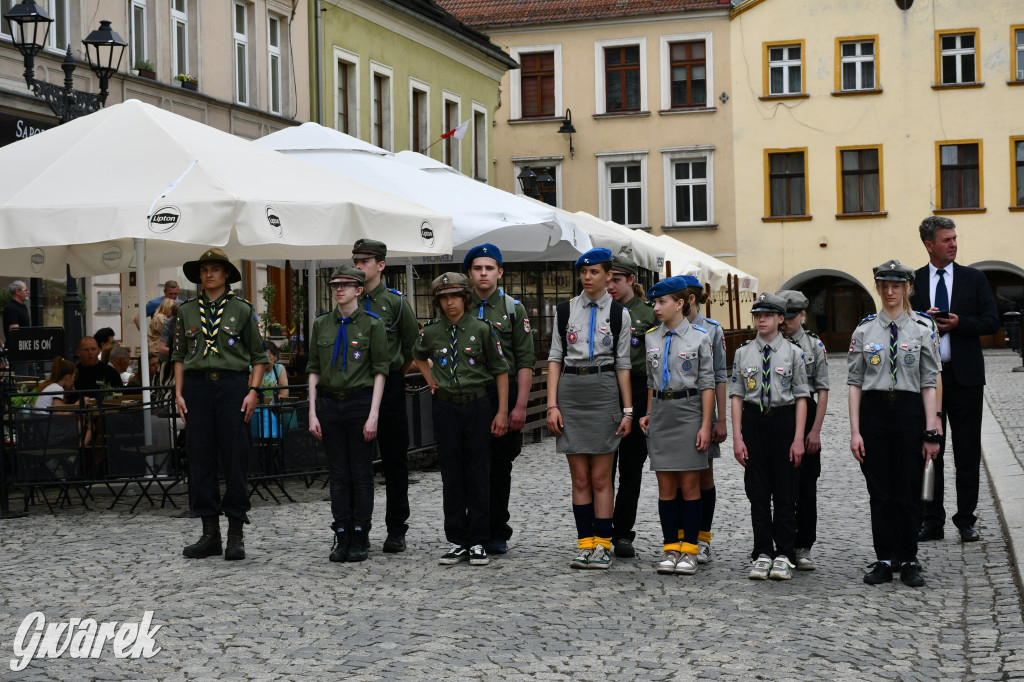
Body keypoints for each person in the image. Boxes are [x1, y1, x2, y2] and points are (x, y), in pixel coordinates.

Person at [850, 259, 942, 587]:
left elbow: (930, 379)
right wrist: (855, 430)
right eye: (884, 286)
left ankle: (910, 557)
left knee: (908, 488)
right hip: (875, 413)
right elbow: (855, 382)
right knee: (880, 491)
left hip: (909, 410)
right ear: (877, 288)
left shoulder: (923, 327)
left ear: (908, 288)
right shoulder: (864, 330)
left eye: (897, 286)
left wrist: (932, 427)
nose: (890, 292)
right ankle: (885, 559)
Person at [172, 248, 268, 561]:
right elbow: (179, 356)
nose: (209, 274)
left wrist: (253, 391)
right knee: (200, 460)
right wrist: (179, 393)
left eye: (215, 269)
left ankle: (236, 534)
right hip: (198, 389)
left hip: (232, 387)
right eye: (204, 270)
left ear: (227, 275)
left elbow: (258, 357)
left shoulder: (242, 309)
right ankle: (209, 534)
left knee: (235, 458)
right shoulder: (186, 310)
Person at [910, 216, 999, 543]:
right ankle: (931, 520)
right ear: (929, 244)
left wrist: (960, 323)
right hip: (928, 382)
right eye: (947, 240)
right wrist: (923, 321)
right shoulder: (913, 281)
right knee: (930, 452)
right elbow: (903, 325)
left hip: (965, 380)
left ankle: (965, 519)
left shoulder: (973, 278)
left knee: (967, 451)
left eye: (955, 238)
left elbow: (991, 322)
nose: (954, 244)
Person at [412, 272, 508, 567]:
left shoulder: (482, 329)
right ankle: (457, 540)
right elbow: (418, 355)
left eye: (454, 296)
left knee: (479, 471)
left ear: (466, 298)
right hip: (445, 407)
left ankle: (478, 539)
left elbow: (501, 369)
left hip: (477, 405)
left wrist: (502, 410)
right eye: (443, 297)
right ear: (437, 301)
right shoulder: (431, 332)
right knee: (452, 473)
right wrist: (431, 380)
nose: (449, 303)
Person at [546, 247, 632, 570]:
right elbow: (555, 358)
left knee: (601, 477)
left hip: (604, 389)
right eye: (583, 271)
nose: (587, 277)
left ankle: (603, 544)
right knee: (579, 477)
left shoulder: (620, 314)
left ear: (608, 275)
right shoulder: (565, 310)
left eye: (594, 272)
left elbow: (623, 364)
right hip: (571, 391)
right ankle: (584, 543)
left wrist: (628, 410)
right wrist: (552, 404)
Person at [307, 266, 388, 563]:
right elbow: (313, 370)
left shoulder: (373, 325)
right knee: (338, 474)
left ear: (359, 290)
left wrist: (373, 414)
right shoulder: (322, 325)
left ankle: (359, 534)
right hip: (329, 405)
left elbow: (381, 371)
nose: (339, 289)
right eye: (335, 285)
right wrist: (312, 411)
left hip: (359, 403)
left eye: (346, 285)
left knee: (361, 474)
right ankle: (341, 533)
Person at [637, 276, 715, 575]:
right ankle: (670, 547)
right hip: (662, 412)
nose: (657, 307)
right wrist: (648, 411)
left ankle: (691, 550)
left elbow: (707, 384)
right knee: (666, 486)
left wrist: (706, 425)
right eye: (655, 302)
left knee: (690, 485)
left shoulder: (699, 337)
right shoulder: (651, 337)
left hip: (688, 411)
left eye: (662, 302)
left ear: (680, 303)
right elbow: (650, 380)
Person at [730, 292, 809, 581]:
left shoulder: (793, 353)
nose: (760, 320)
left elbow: (801, 397)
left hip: (783, 420)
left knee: (786, 492)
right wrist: (738, 438)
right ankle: (762, 551)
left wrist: (799, 437)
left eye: (767, 315)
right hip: (754, 421)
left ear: (780, 319)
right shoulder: (743, 353)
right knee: (758, 492)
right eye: (757, 315)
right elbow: (737, 396)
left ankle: (785, 553)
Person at [464, 243, 536, 555]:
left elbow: (524, 361)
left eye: (489, 268)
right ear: (470, 273)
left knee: (498, 466)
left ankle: (497, 530)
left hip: (500, 395)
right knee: (470, 466)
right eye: (478, 268)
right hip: (468, 395)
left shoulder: (512, 309)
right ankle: (473, 528)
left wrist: (520, 406)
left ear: (500, 272)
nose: (483, 273)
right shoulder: (460, 305)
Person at [352, 238, 419, 554]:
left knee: (394, 461)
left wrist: (391, 376)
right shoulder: (348, 299)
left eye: (365, 261)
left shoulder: (396, 303)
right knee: (357, 463)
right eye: (356, 261)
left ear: (380, 265)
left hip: (389, 385)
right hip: (356, 387)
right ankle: (358, 528)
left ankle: (396, 529)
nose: (358, 266)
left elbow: (411, 349)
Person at [605, 254, 656, 559]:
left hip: (637, 391)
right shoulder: (600, 311)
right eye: (607, 279)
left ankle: (623, 532)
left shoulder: (649, 315)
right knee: (602, 467)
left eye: (616, 280)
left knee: (631, 469)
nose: (610, 285)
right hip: (606, 390)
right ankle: (600, 528)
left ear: (631, 281)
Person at [777, 289, 830, 571]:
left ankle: (803, 545)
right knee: (781, 483)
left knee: (807, 485)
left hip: (806, 412)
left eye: (790, 317)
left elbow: (822, 390)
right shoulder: (768, 344)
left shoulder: (813, 346)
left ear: (802, 316)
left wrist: (816, 431)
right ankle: (781, 543)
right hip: (779, 411)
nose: (784, 322)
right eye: (781, 317)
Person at [682, 277, 728, 565]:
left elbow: (721, 375)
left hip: (703, 410)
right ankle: (680, 536)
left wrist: (721, 419)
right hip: (674, 411)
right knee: (676, 478)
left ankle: (703, 537)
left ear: (692, 299)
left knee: (704, 476)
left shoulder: (711, 330)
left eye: (681, 297)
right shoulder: (665, 328)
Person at [4, 280, 32, 375]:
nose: (28, 292)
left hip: (26, 350)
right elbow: (15, 333)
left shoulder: (23, 307)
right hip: (18, 353)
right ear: (17, 292)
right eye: (25, 290)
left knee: (32, 382)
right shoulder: (11, 308)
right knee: (23, 382)